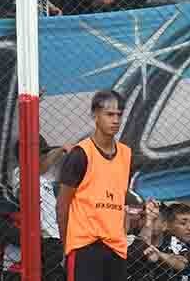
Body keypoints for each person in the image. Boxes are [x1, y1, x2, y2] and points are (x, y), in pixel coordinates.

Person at [58, 90, 133, 281]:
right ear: (95, 115)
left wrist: (122, 234)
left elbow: (120, 200)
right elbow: (63, 205)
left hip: (115, 247)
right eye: (109, 114)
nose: (115, 120)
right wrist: (67, 246)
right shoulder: (80, 154)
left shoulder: (126, 154)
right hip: (85, 247)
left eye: (119, 114)